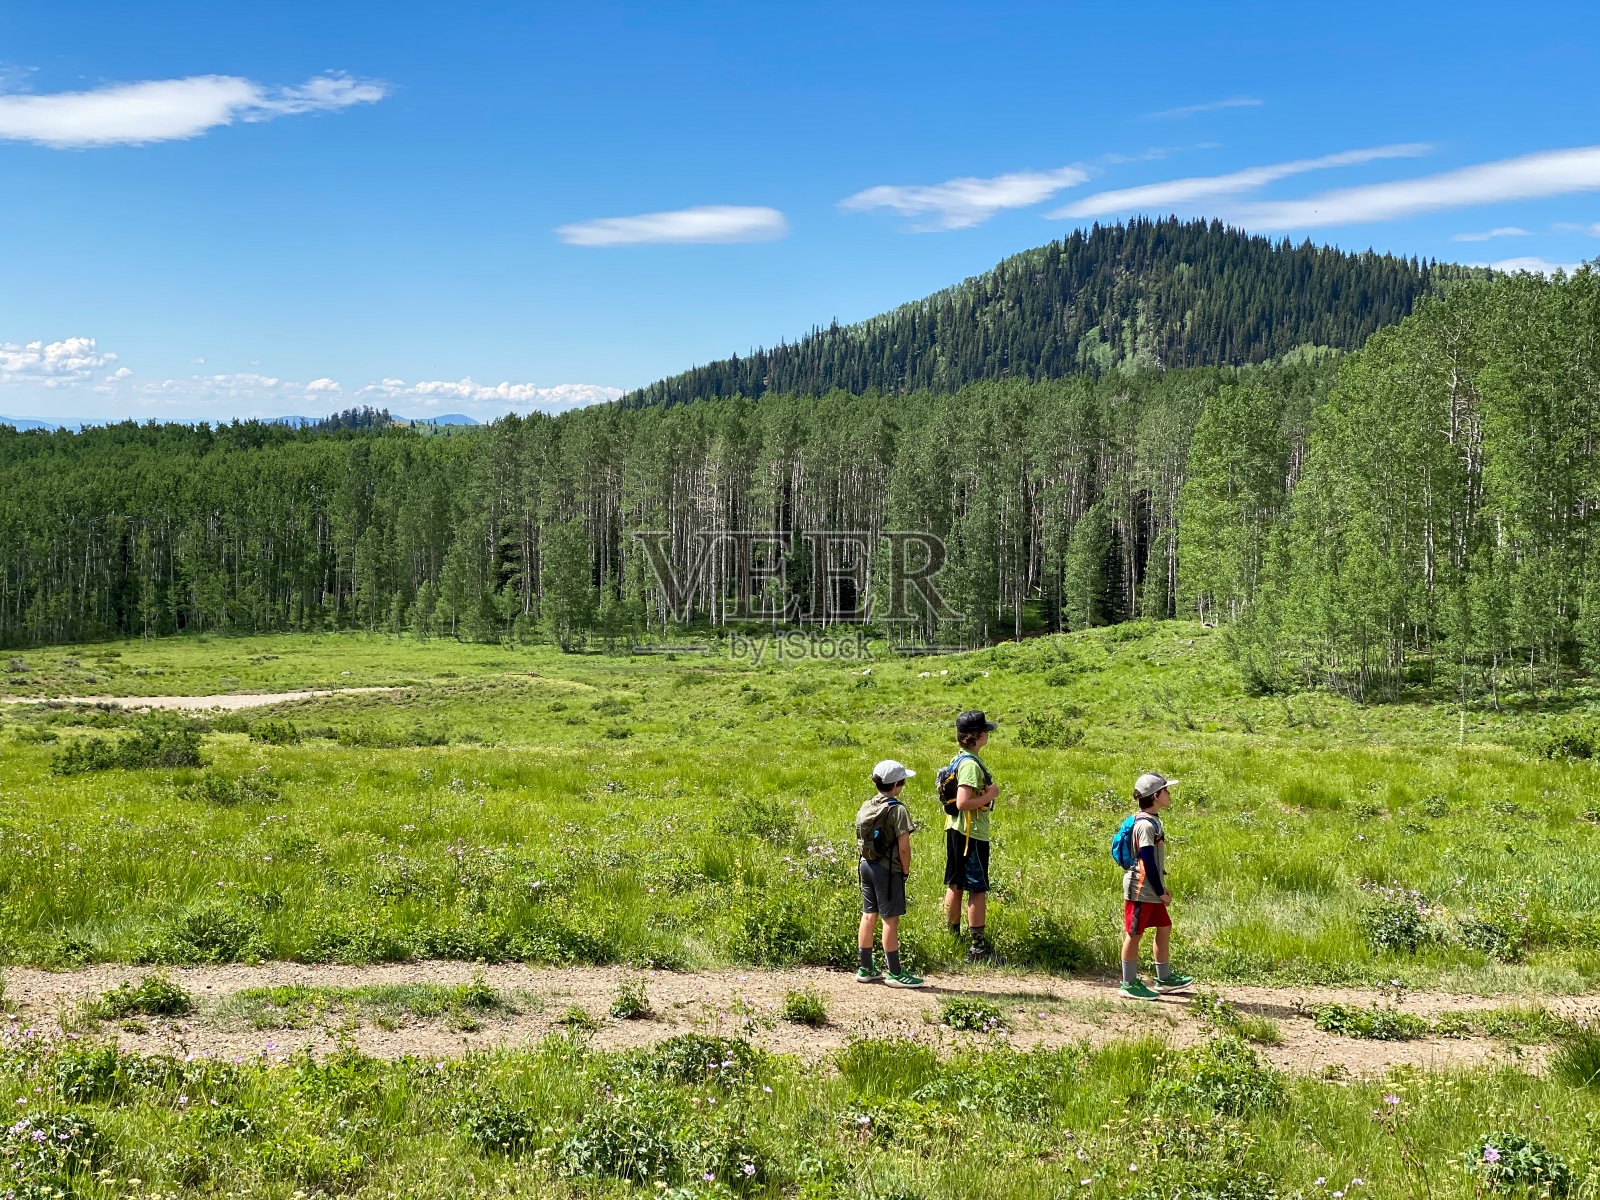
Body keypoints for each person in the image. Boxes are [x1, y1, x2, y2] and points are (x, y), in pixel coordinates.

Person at [1119, 771, 1194, 1000]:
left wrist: (1161, 886)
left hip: (1152, 887)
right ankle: (1128, 983)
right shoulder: (1145, 826)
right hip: (1141, 889)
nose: (1169, 794)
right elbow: (1147, 861)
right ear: (1155, 795)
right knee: (1135, 933)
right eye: (1166, 790)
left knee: (1164, 926)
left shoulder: (1153, 821)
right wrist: (1160, 891)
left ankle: (1164, 978)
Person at [855, 758, 924, 988]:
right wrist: (905, 871)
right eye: (902, 781)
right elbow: (904, 846)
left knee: (868, 915)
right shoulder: (898, 809)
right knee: (889, 921)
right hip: (887, 869)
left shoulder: (867, 805)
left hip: (866, 865)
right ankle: (894, 973)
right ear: (895, 785)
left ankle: (866, 968)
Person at [944, 710, 999, 963]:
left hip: (955, 830)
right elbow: (964, 802)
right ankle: (977, 949)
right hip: (971, 835)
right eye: (985, 730)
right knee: (977, 889)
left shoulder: (959, 759)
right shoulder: (970, 765)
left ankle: (952, 939)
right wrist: (990, 796)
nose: (988, 733)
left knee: (955, 885)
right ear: (977, 736)